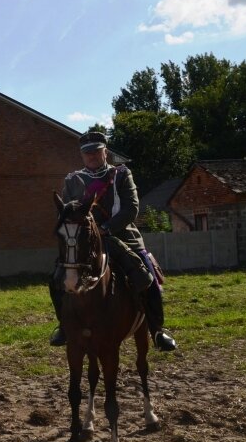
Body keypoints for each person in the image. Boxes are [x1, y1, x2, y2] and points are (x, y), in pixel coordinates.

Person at [49, 131, 177, 352]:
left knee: (146, 275)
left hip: (121, 236)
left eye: (96, 151)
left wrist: (106, 228)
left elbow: (131, 208)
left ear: (105, 152)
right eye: (87, 153)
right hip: (85, 242)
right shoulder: (72, 180)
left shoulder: (120, 175)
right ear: (82, 156)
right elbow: (66, 213)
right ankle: (64, 326)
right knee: (56, 279)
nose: (91, 156)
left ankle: (157, 330)